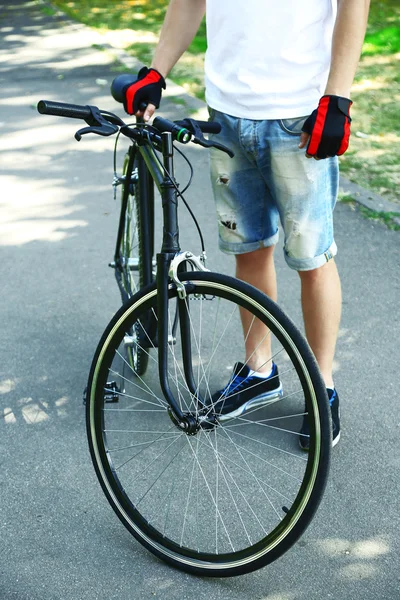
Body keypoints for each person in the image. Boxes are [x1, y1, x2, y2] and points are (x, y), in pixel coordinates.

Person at [122, 0, 371, 450]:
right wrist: (156, 73)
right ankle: (259, 372)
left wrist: (338, 96)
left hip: (301, 114)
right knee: (249, 250)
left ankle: (322, 388)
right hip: (226, 114)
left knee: (312, 258)